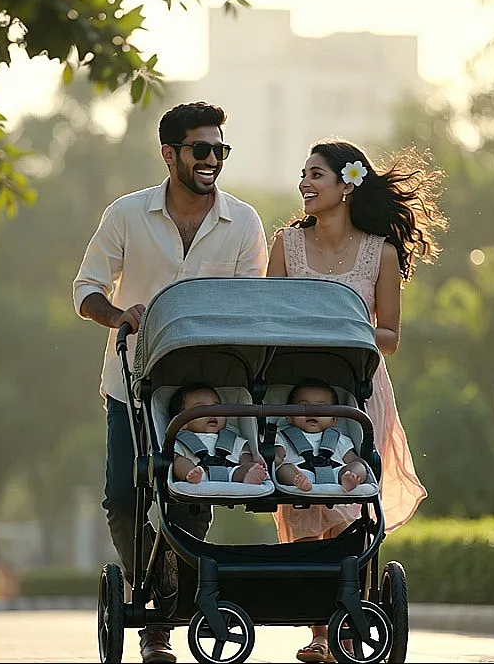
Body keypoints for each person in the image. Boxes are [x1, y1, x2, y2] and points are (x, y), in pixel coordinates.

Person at [72, 101, 269, 664]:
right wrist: (118, 316)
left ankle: (165, 620)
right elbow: (85, 289)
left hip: (205, 390)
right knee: (122, 500)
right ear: (169, 154)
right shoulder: (127, 215)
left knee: (192, 495)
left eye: (220, 150)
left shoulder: (244, 223)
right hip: (130, 385)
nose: (212, 160)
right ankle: (148, 591)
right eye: (201, 149)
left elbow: (247, 303)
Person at [266, 137, 446, 663]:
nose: (304, 183)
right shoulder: (286, 244)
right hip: (295, 394)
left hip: (358, 390)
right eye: (303, 174)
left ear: (346, 184)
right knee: (303, 502)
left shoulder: (380, 253)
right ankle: (319, 632)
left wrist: (344, 332)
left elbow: (389, 334)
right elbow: (268, 318)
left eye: (315, 175)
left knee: (346, 501)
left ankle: (348, 620)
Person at [274, 379, 368, 493]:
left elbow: (352, 459)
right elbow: (277, 458)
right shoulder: (281, 437)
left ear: (334, 419)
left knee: (359, 466)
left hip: (337, 474)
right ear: (289, 415)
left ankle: (350, 480)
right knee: (283, 469)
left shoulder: (339, 438)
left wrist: (358, 468)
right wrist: (275, 460)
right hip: (301, 473)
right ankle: (299, 482)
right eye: (304, 407)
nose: (312, 413)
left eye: (321, 408)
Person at [170, 383, 269, 485]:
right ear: (182, 422)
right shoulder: (181, 440)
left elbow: (245, 455)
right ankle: (191, 475)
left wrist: (249, 465)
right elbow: (173, 457)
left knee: (247, 467)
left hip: (231, 474)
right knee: (179, 461)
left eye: (216, 407)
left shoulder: (233, 439)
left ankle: (250, 476)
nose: (212, 412)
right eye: (201, 410)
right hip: (198, 470)